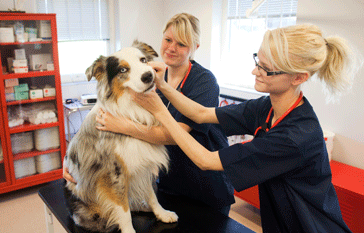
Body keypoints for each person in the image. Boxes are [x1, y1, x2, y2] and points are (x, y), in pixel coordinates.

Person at [132, 23, 356, 232]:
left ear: (298, 78)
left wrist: (159, 110)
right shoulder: (267, 106)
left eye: (266, 69)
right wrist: (162, 85)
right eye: (258, 61)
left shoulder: (294, 137)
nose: (255, 71)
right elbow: (202, 113)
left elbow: (206, 160)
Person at [63, 13, 235, 216]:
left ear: (194, 48)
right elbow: (99, 114)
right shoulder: (150, 75)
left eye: (181, 44)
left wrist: (124, 127)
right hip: (170, 183)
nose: (171, 48)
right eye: (168, 39)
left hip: (206, 184)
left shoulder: (204, 81)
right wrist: (72, 161)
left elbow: (174, 135)